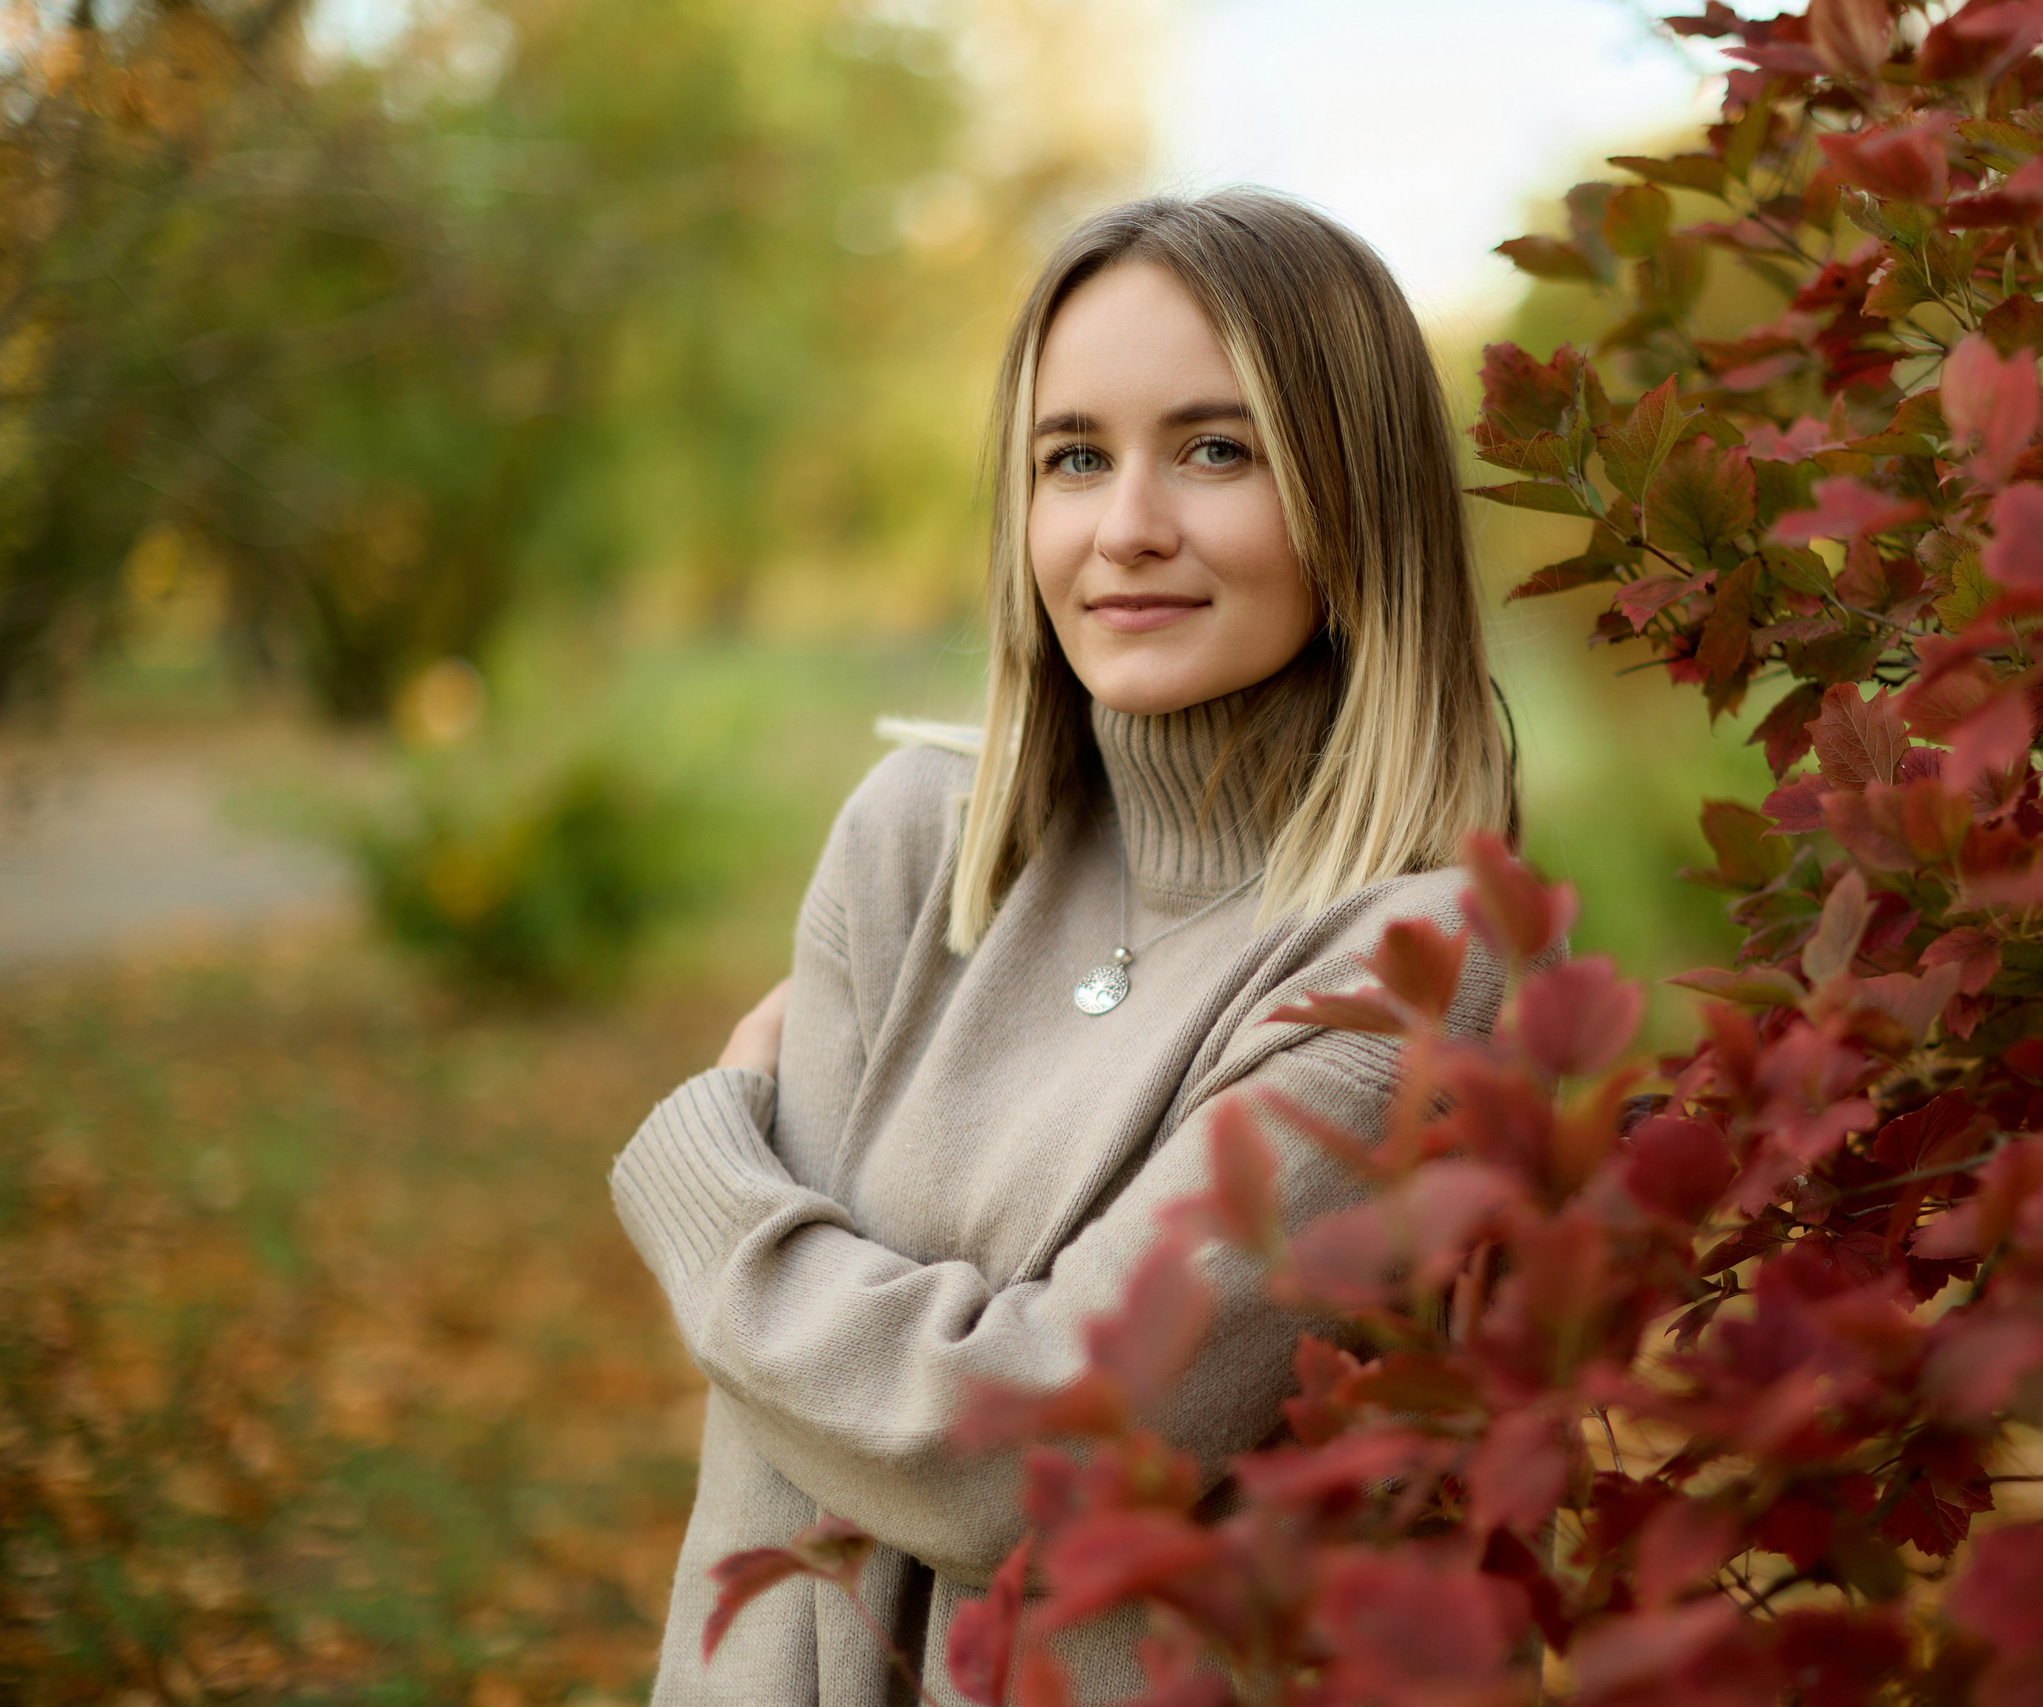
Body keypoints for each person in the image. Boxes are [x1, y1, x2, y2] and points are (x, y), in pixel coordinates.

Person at [611, 189, 1518, 1705]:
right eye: (1074, 458)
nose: (1125, 528)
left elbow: (1028, 1458)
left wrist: (709, 1195)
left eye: (1216, 451)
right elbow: (774, 1458)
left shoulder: (1410, 967)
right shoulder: (919, 844)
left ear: (1357, 499)